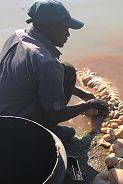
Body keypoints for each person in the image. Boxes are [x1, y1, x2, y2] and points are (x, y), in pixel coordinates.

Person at [0, 0, 109, 142]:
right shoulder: (46, 62)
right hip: (18, 126)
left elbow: (41, 78)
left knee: (68, 70)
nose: (68, 34)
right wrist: (90, 105)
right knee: (69, 132)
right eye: (65, 28)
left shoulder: (17, 35)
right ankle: (46, 130)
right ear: (49, 27)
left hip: (5, 111)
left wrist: (82, 93)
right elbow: (58, 114)